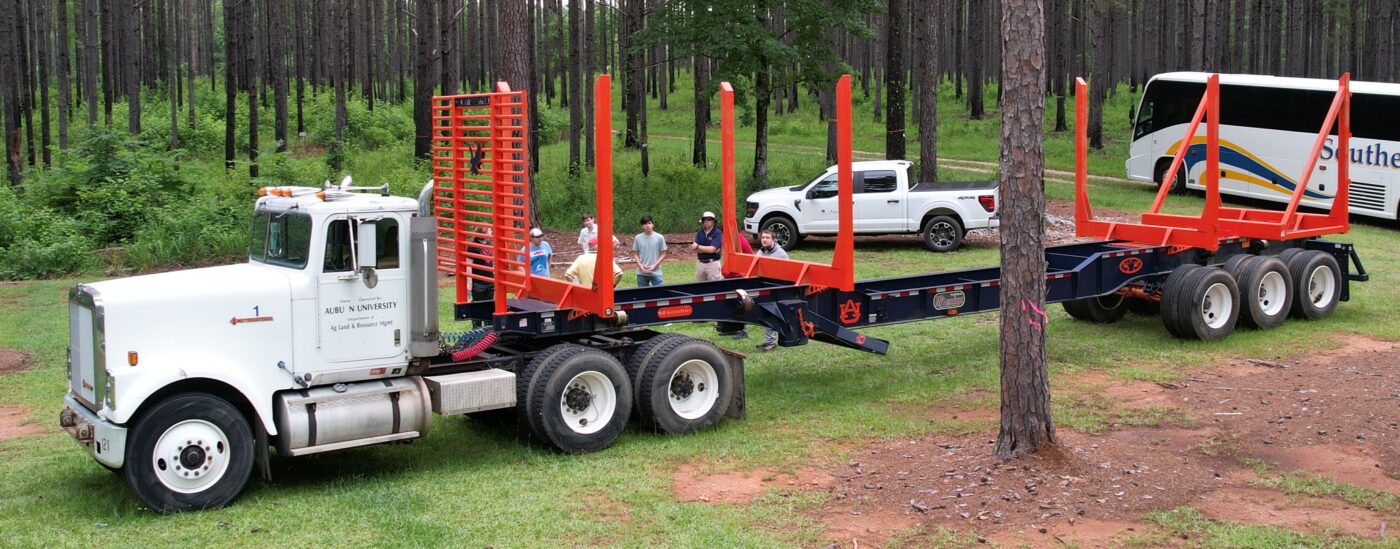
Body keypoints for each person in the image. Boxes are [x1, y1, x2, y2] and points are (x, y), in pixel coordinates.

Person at [755, 229, 789, 351]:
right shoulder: (760, 251)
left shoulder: (781, 254)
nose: (764, 239)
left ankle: (771, 342)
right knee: (765, 313)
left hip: (776, 288)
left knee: (771, 314)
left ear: (773, 240)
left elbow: (787, 272)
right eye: (763, 237)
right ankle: (768, 340)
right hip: (764, 287)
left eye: (767, 238)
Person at [632, 215, 668, 287]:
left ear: (653, 224)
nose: (648, 225)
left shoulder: (659, 237)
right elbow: (635, 253)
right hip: (641, 272)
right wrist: (640, 266)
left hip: (656, 271)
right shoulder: (638, 238)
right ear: (642, 226)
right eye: (645, 224)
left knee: (659, 294)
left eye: (649, 223)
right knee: (642, 295)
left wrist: (655, 265)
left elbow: (664, 253)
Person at [691, 211, 724, 282]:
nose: (706, 221)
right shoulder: (700, 232)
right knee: (700, 288)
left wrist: (698, 246)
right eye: (704, 220)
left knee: (714, 288)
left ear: (713, 222)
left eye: (709, 219)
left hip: (713, 264)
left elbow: (712, 249)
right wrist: (709, 249)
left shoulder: (717, 233)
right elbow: (694, 248)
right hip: (700, 264)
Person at [468, 229, 494, 302]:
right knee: (478, 306)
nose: (491, 231)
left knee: (489, 306)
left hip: (490, 280)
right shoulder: (473, 246)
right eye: (489, 230)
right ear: (483, 233)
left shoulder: (489, 243)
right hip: (478, 283)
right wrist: (469, 283)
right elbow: (468, 265)